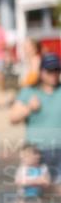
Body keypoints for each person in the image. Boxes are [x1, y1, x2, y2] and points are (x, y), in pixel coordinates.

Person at [10, 53, 61, 181]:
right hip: (35, 153)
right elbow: (13, 118)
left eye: (57, 70)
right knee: (32, 192)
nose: (54, 74)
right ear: (42, 72)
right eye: (50, 71)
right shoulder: (29, 92)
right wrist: (29, 108)